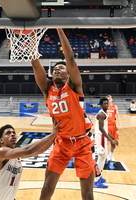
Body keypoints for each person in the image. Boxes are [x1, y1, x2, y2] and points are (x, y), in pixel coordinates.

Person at [31, 28, 95, 200]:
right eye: (55, 69)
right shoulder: (48, 90)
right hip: (61, 143)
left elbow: (70, 58)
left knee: (88, 193)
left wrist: (58, 28)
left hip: (82, 142)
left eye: (61, 68)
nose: (57, 70)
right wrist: (30, 39)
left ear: (68, 75)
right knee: (47, 187)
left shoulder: (74, 86)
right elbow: (36, 64)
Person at [0, 121, 61, 200]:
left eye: (13, 132)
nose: (12, 134)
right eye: (8, 133)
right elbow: (28, 150)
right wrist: (52, 135)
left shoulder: (16, 156)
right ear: (1, 140)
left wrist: (55, 137)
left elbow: (39, 150)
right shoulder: (0, 152)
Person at [94, 97, 117, 188]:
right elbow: (101, 128)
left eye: (107, 103)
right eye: (104, 103)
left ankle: (99, 176)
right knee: (101, 156)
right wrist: (110, 140)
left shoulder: (104, 113)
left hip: (102, 136)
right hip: (100, 136)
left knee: (103, 156)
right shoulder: (101, 114)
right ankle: (96, 180)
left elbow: (105, 129)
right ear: (100, 104)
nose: (106, 105)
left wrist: (112, 137)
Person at [106, 95, 122, 164]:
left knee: (114, 142)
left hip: (113, 126)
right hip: (106, 127)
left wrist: (120, 124)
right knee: (107, 142)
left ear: (112, 99)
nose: (109, 100)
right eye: (108, 99)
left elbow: (118, 116)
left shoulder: (115, 106)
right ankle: (107, 155)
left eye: (110, 99)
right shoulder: (105, 107)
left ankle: (111, 155)